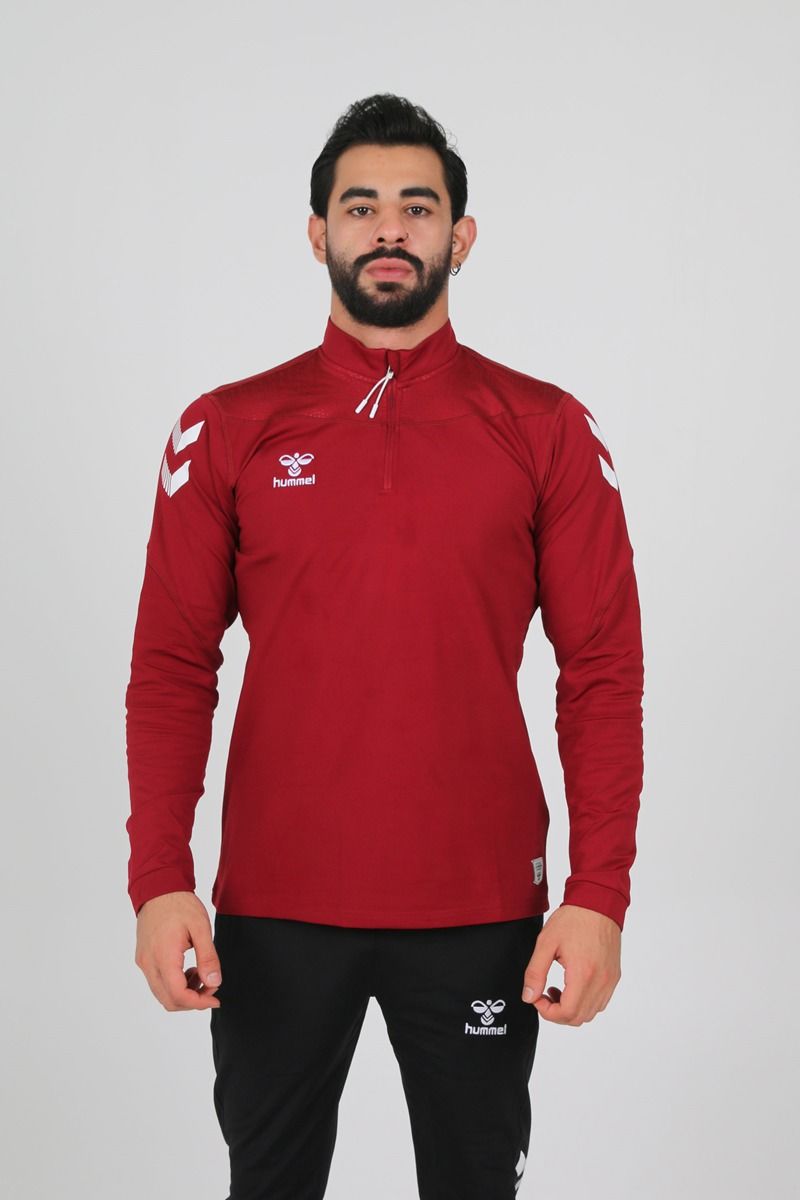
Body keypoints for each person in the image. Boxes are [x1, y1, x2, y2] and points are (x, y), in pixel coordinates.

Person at [125, 92, 644, 1199]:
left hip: (480, 908)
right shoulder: (228, 427)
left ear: (461, 235)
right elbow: (171, 666)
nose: (390, 228)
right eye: (361, 207)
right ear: (318, 233)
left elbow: (600, 671)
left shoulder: (545, 428)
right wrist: (158, 878)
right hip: (274, 907)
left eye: (418, 206)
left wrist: (598, 892)